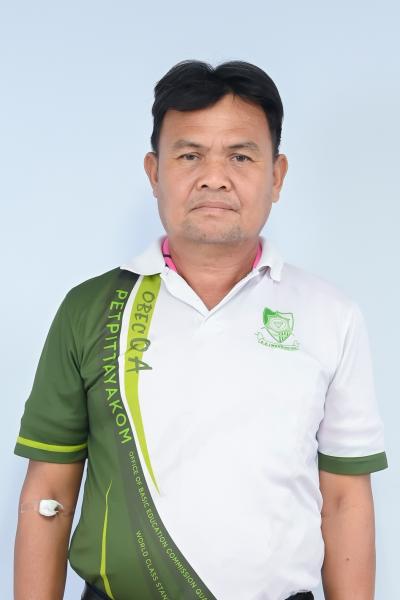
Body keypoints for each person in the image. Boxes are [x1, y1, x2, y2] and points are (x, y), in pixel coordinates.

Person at [13, 59, 388, 600]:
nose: (214, 177)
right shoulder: (90, 308)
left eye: (240, 156)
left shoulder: (331, 314)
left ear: (277, 176)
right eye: (190, 155)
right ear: (154, 172)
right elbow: (49, 488)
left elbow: (347, 498)